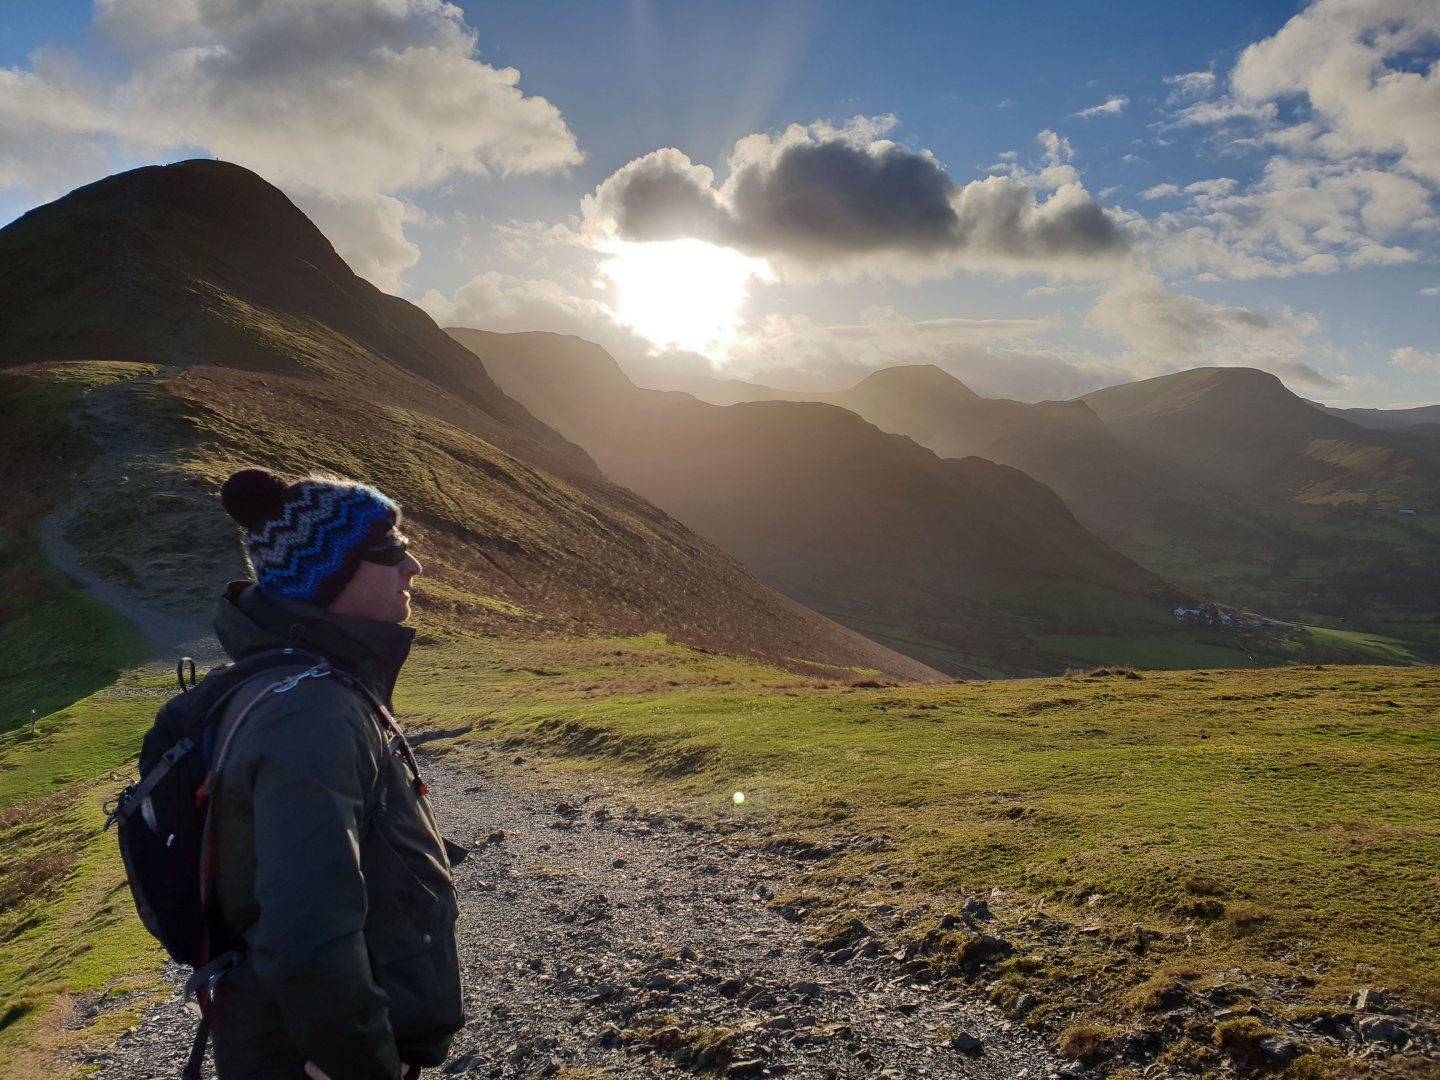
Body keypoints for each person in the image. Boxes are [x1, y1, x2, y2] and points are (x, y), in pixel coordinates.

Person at [208, 467, 464, 1080]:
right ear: (326, 576)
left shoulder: (307, 687)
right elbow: (307, 930)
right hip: (308, 1059)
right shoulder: (311, 713)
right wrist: (363, 1064)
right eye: (389, 549)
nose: (413, 567)